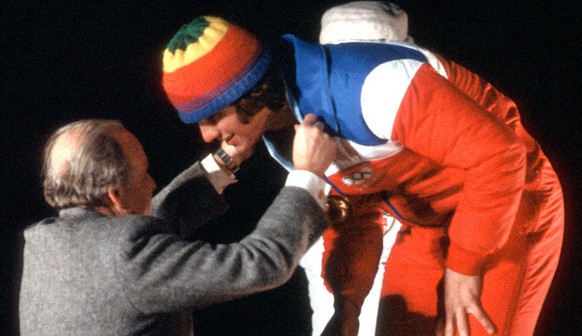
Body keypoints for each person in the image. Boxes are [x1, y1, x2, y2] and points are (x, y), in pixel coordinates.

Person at [160, 9, 564, 336]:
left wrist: (464, 266)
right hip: (427, 220)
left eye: (213, 116)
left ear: (252, 92)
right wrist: (347, 305)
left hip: (509, 202)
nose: (208, 134)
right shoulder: (281, 135)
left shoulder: (371, 86)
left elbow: (499, 157)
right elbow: (354, 214)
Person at [19, 118, 336, 336]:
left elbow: (137, 231)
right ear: (114, 195)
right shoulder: (128, 259)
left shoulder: (45, 243)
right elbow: (262, 263)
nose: (153, 182)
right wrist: (307, 174)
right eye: (144, 175)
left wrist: (224, 160)